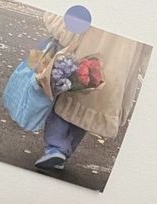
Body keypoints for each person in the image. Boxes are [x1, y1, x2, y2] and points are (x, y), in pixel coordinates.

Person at [35, 12, 147, 172]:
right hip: (121, 61)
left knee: (70, 90)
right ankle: (61, 151)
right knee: (93, 103)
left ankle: (56, 147)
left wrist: (64, 28)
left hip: (91, 43)